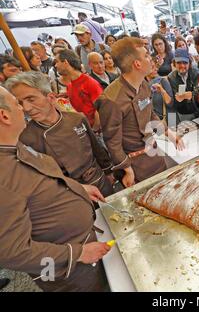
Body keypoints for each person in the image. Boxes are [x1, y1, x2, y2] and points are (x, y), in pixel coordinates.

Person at [0, 86, 111, 291]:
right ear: (4, 116)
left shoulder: (12, 146)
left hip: (89, 242)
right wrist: (77, 254)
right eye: (17, 103)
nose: (23, 109)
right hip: (69, 271)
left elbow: (41, 181)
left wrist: (78, 188)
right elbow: (10, 252)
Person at [5, 71, 114, 197]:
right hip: (69, 193)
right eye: (20, 103)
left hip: (98, 180)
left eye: (31, 99)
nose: (27, 108)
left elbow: (97, 148)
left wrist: (108, 172)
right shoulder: (25, 138)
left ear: (51, 98)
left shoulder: (77, 119)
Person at [96, 37, 184, 187]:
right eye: (146, 56)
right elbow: (112, 142)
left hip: (154, 154)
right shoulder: (111, 100)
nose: (151, 59)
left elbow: (150, 114)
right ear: (137, 64)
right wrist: (127, 169)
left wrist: (169, 133)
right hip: (134, 166)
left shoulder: (143, 84)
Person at [54, 49, 103, 130]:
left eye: (57, 61)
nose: (55, 65)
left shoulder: (90, 83)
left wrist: (94, 131)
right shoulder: (70, 86)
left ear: (65, 62)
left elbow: (101, 110)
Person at [167, 48, 199, 122]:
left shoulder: (196, 73)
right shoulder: (171, 77)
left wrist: (191, 94)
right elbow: (173, 98)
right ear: (174, 63)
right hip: (182, 113)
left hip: (198, 111)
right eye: (179, 62)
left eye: (185, 63)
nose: (182, 65)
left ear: (189, 63)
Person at [145, 57, 175, 126]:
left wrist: (162, 90)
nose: (156, 69)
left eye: (155, 67)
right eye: (152, 67)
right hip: (154, 122)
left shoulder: (162, 81)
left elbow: (170, 103)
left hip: (169, 120)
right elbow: (142, 106)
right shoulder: (143, 85)